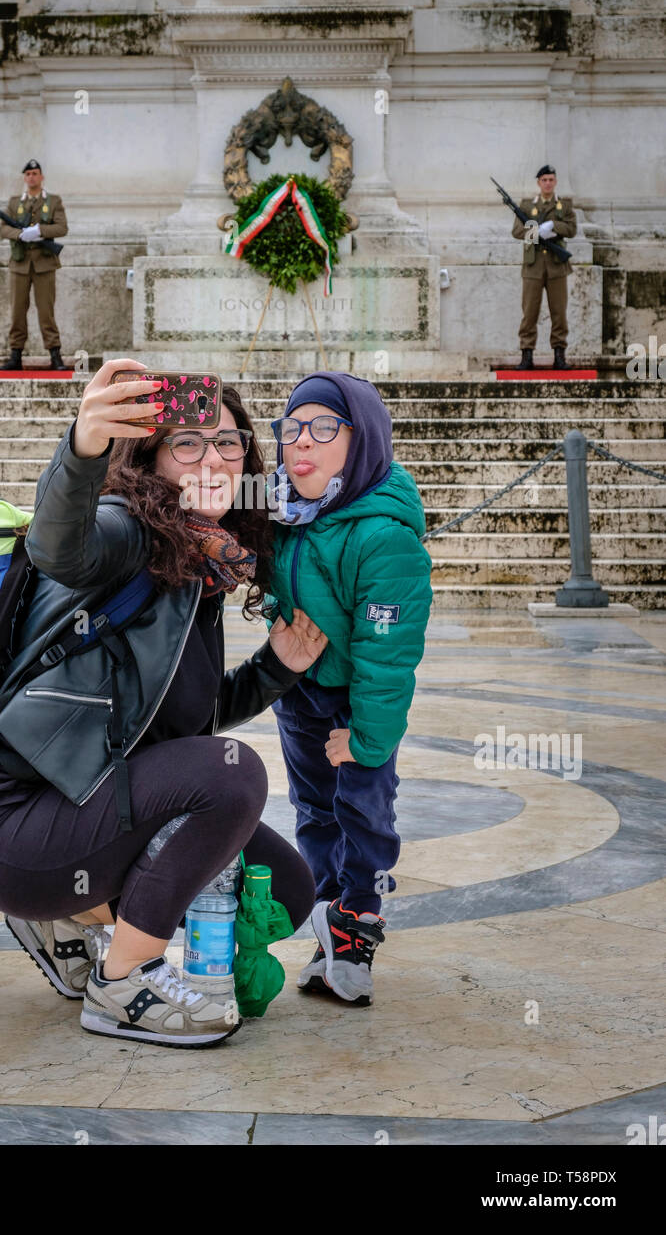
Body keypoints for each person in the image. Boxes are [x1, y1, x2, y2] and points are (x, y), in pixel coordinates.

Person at [0, 358, 324, 1048]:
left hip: (87, 809)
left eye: (228, 442)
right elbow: (58, 546)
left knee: (285, 889)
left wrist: (277, 668)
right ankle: (122, 982)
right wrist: (83, 446)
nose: (213, 457)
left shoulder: (200, 563)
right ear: (152, 458)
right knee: (235, 771)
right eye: (187, 442)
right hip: (18, 830)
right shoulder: (125, 535)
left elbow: (187, 724)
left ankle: (70, 922)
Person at [264, 372, 432, 1006]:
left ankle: (359, 918)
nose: (302, 442)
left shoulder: (382, 534)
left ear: (361, 441)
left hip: (356, 701)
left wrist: (366, 738)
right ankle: (329, 921)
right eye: (292, 428)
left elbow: (388, 656)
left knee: (363, 811)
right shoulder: (286, 511)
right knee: (313, 811)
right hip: (301, 693)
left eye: (325, 427)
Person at [0, 160, 68, 372]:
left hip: (44, 264)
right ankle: (15, 355)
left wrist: (39, 231)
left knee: (46, 312)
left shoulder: (53, 201)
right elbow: (3, 229)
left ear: (41, 176)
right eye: (28, 174)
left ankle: (55, 355)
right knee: (17, 311)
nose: (31, 177)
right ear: (24, 178)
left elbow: (62, 228)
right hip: (20, 265)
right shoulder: (14, 203)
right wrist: (20, 234)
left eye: (35, 173)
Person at [511, 164, 578, 371]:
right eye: (544, 180)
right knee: (529, 312)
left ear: (555, 181)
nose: (547, 183)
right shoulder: (527, 206)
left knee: (559, 313)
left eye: (551, 179)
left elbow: (572, 229)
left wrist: (553, 228)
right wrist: (536, 233)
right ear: (539, 183)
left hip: (557, 267)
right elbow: (516, 231)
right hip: (533, 267)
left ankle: (559, 356)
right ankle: (526, 355)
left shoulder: (564, 206)